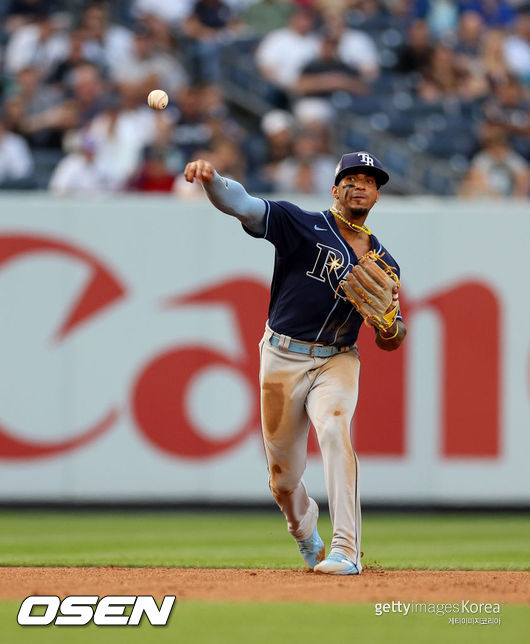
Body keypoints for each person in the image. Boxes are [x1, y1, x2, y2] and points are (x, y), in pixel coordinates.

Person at [184, 150, 407, 575]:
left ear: (377, 195)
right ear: (335, 188)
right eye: (352, 178)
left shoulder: (385, 262)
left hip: (337, 359)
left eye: (370, 180)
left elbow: (393, 339)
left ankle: (346, 551)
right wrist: (212, 180)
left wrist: (389, 328)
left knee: (335, 429)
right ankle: (303, 528)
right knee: (283, 479)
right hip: (282, 357)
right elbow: (244, 205)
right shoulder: (301, 223)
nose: (360, 185)